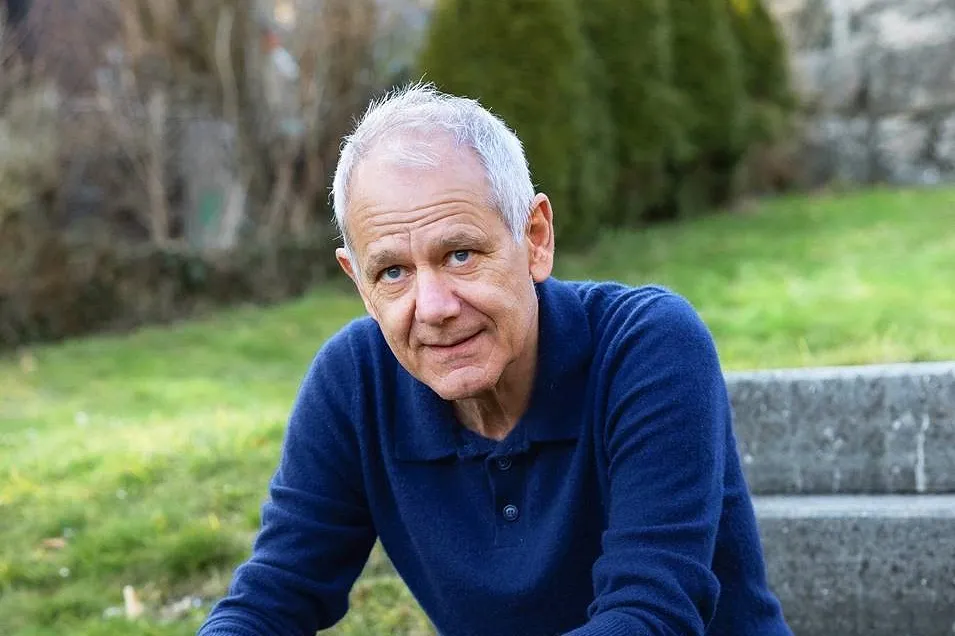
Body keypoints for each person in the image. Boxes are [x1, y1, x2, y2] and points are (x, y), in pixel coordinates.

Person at [197, 83, 792, 636]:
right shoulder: (354, 382)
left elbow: (650, 613)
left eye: (459, 254)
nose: (431, 308)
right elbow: (273, 595)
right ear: (359, 283)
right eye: (393, 272)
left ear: (535, 239)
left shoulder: (646, 345)